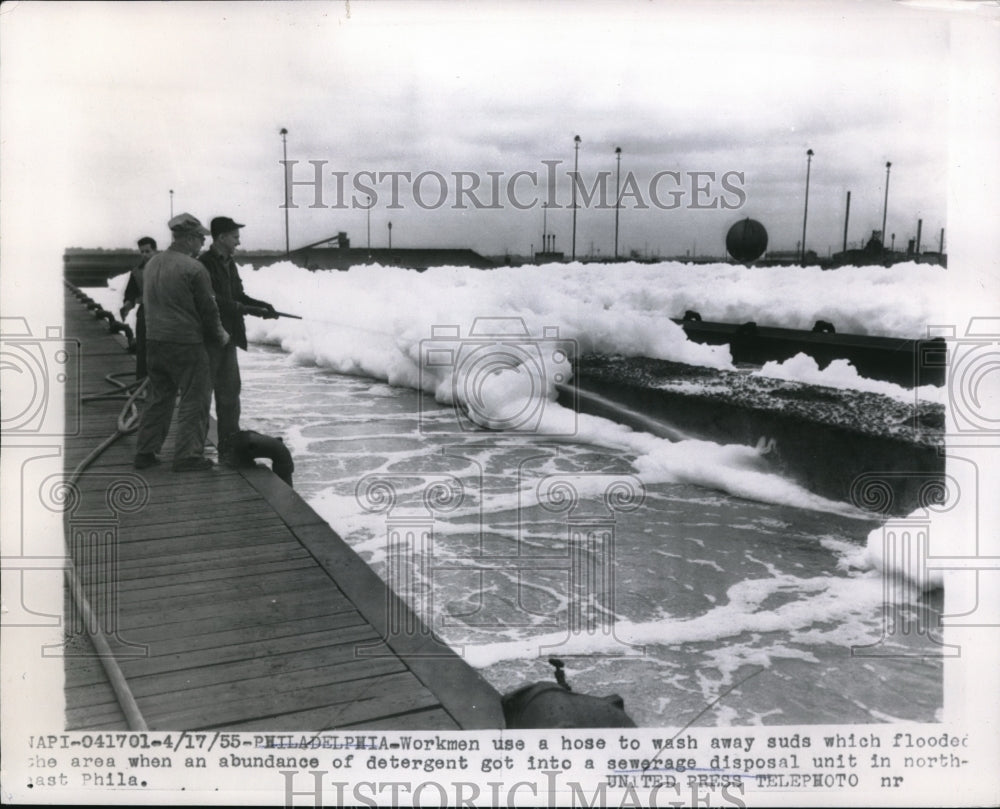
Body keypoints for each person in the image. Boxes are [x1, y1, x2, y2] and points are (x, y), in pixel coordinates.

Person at [133, 213, 230, 472]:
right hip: (186, 344)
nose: (201, 244)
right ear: (188, 239)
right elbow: (209, 311)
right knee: (195, 398)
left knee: (158, 398)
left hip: (154, 342)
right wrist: (221, 336)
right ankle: (187, 456)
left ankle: (145, 452)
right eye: (199, 238)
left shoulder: (152, 263)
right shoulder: (194, 268)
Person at [199, 216, 277, 464]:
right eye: (235, 236)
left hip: (228, 338)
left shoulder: (229, 263)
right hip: (209, 338)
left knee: (230, 395)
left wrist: (262, 306)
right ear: (221, 238)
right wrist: (245, 308)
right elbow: (212, 299)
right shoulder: (204, 264)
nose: (239, 241)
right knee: (202, 396)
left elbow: (237, 295)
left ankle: (228, 449)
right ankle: (193, 452)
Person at [120, 236, 157, 379]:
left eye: (147, 251)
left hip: (165, 312)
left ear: (155, 251)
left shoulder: (167, 267)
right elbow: (130, 294)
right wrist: (127, 305)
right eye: (142, 252)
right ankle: (141, 382)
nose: (145, 255)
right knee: (142, 348)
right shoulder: (136, 272)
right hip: (145, 311)